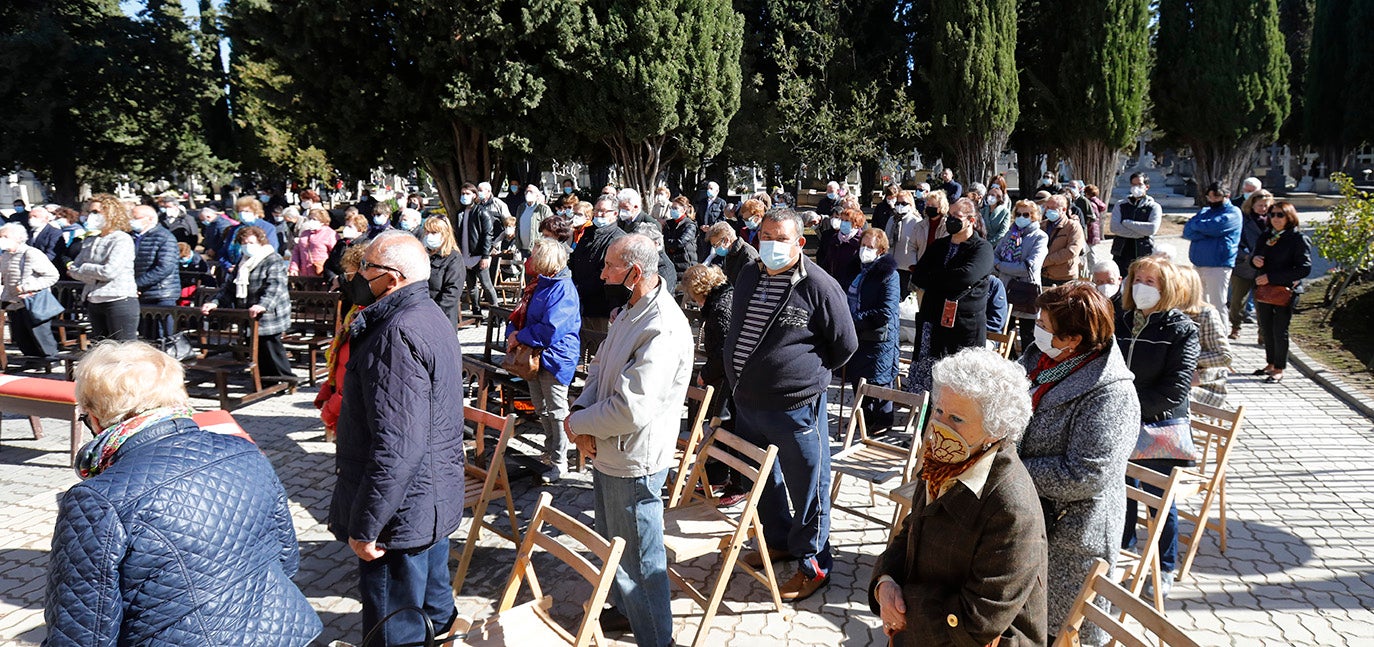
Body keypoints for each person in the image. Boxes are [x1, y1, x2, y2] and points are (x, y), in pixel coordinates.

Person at [44, 341, 322, 646]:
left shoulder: (96, 501)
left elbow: (81, 634)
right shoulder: (243, 451)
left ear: (96, 417)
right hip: (284, 632)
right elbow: (287, 559)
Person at [329, 232, 465, 646]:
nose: (357, 275)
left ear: (392, 278)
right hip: (429, 499)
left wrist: (367, 526)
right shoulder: (427, 313)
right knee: (434, 609)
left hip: (401, 512)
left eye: (366, 268)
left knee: (394, 627)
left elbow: (396, 446)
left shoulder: (395, 332)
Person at [564, 234, 692, 646]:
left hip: (633, 457)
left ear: (634, 273)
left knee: (639, 559)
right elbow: (601, 368)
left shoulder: (662, 326)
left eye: (609, 267)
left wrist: (578, 426)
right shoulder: (630, 311)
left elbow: (631, 408)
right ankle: (624, 610)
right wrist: (579, 417)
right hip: (607, 449)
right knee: (612, 543)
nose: (601, 273)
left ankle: (657, 638)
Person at [871, 348, 1047, 646]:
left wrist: (903, 610)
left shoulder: (1010, 507)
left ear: (995, 430)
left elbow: (979, 618)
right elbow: (912, 529)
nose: (941, 426)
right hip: (923, 630)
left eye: (956, 418)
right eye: (939, 411)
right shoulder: (943, 462)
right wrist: (885, 583)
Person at [726, 209, 858, 602]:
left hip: (796, 406)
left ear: (799, 242)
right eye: (764, 235)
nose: (770, 244)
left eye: (779, 238)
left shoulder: (820, 285)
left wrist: (802, 376)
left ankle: (813, 564)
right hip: (747, 403)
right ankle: (780, 539)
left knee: (808, 485)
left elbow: (845, 346)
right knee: (761, 477)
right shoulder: (749, 272)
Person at [1018, 282, 1139, 646]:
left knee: (1057, 631)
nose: (1036, 327)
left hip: (1071, 532)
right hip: (1030, 514)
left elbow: (1086, 475)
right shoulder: (1039, 361)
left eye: (1044, 323)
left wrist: (1010, 469)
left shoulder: (1111, 392)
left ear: (1072, 339)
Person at [1116, 256, 1200, 600]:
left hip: (1157, 428)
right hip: (1118, 421)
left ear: (1166, 288)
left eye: (1151, 282)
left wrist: (1127, 405)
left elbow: (1174, 390)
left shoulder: (1181, 329)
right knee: (1121, 493)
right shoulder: (1118, 317)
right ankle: (1123, 552)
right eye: (1138, 279)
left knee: (1158, 500)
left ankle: (1164, 566)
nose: (1142, 287)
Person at [506, 239, 581, 483]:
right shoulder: (539, 284)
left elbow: (551, 329)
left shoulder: (563, 288)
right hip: (533, 356)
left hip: (554, 357)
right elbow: (521, 315)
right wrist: (513, 333)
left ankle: (560, 461)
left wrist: (520, 337)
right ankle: (549, 451)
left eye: (536, 257)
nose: (531, 261)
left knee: (557, 410)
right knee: (541, 407)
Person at [202, 226, 295, 382]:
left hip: (269, 312)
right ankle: (263, 378)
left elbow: (276, 286)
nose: (247, 246)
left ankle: (285, 378)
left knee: (271, 347)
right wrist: (214, 302)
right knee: (256, 348)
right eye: (244, 242)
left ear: (260, 241)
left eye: (251, 242)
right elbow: (229, 288)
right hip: (248, 312)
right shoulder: (243, 261)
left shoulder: (273, 259)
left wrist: (263, 305)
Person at [914, 198, 995, 361]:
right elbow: (918, 275)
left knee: (958, 378)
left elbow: (966, 277)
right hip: (932, 320)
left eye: (956, 216)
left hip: (963, 326)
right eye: (949, 215)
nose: (950, 220)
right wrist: (947, 279)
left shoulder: (982, 249)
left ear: (971, 220)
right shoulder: (938, 245)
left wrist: (935, 278)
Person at [1249, 201, 1312, 383]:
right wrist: (1255, 260)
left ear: (1289, 217)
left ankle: (1279, 368)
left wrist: (1272, 277)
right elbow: (1255, 256)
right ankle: (1270, 363)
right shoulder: (1267, 235)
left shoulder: (1298, 238)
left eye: (1280, 215)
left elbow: (1304, 269)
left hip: (1285, 291)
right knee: (1266, 328)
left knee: (1279, 330)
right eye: (1272, 214)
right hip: (1264, 289)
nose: (1275, 219)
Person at [846, 228, 900, 431]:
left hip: (879, 338)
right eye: (863, 246)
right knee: (858, 379)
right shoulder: (855, 269)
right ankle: (863, 419)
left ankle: (881, 422)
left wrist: (856, 320)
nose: (865, 250)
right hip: (856, 334)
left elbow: (886, 311)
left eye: (870, 247)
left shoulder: (889, 274)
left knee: (878, 381)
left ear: (881, 250)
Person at [68, 194, 139, 341]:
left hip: (118, 299)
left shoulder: (121, 239)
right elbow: (73, 269)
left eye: (96, 212)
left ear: (110, 213)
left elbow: (109, 272)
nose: (90, 216)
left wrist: (85, 268)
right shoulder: (90, 240)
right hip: (93, 299)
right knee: (101, 349)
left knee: (123, 348)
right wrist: (88, 272)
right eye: (89, 212)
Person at [315, 245, 368, 439]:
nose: (348, 283)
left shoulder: (365, 316)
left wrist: (331, 408)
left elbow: (349, 374)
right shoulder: (356, 311)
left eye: (351, 278)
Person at [1182, 181, 1243, 322]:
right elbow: (1188, 231)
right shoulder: (1204, 211)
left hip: (1219, 264)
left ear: (1226, 196)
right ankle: (1201, 331)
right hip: (1198, 263)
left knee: (1218, 302)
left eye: (1216, 197)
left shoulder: (1234, 213)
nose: (1213, 200)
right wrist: (1204, 230)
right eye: (1210, 197)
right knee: (1198, 302)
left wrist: (1199, 228)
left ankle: (1221, 334)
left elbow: (1216, 227)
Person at [0, 223, 60, 359]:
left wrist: (27, 286)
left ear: (17, 237)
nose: (1, 239)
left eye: (5, 236)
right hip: (12, 302)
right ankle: (32, 360)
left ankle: (50, 360)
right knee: (21, 335)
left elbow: (52, 275)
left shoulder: (31, 253)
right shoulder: (6, 256)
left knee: (40, 335)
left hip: (33, 301)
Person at [1177, 265, 1233, 407]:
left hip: (1205, 379)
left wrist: (1183, 359)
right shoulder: (1162, 311)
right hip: (1172, 376)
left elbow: (1224, 357)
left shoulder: (1205, 314)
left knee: (1171, 397)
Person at [682, 263, 732, 421]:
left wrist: (705, 373)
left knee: (719, 417)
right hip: (725, 371)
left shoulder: (719, 309)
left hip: (725, 375)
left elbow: (724, 349)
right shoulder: (726, 297)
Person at [569, 195, 626, 332]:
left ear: (615, 213)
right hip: (581, 302)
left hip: (602, 306)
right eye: (597, 210)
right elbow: (576, 260)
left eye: (604, 211)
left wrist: (582, 288)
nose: (599, 214)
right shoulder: (588, 233)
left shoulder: (618, 239)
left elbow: (609, 273)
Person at [128, 205, 180, 340]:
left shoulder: (165, 237)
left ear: (150, 219)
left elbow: (165, 267)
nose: (131, 221)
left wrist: (137, 284)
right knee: (147, 335)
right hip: (140, 293)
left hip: (161, 293)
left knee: (165, 335)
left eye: (135, 218)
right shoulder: (131, 237)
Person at [1229, 190, 1271, 339]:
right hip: (1244, 265)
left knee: (1263, 301)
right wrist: (1248, 255)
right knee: (1238, 300)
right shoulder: (1242, 219)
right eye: (1260, 205)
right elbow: (1235, 242)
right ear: (1252, 204)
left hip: (1266, 267)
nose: (1263, 209)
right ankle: (1235, 327)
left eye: (1266, 205)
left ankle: (1263, 333)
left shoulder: (1273, 220)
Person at [456, 182, 499, 319]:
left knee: (487, 285)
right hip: (465, 256)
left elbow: (488, 235)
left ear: (474, 195)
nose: (464, 196)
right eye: (463, 194)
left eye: (467, 194)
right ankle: (476, 312)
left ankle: (496, 314)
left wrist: (485, 256)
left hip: (479, 256)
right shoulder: (461, 213)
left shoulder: (482, 212)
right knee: (471, 287)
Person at [1110, 172, 1162, 278]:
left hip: (1143, 251)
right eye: (1133, 185)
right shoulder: (1121, 204)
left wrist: (1127, 223)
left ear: (1146, 187)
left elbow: (1151, 229)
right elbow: (1114, 227)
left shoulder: (1154, 207)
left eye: (1139, 184)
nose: (1136, 188)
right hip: (1121, 251)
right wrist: (1140, 232)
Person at [1040, 193, 1086, 287]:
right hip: (1043, 275)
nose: (1048, 210)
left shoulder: (1073, 227)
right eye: (1047, 207)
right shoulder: (1042, 225)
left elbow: (1071, 251)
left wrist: (1045, 261)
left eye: (1053, 208)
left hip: (1064, 277)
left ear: (1064, 210)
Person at [817, 206, 866, 290]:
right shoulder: (834, 239)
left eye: (847, 221)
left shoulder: (862, 242)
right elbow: (827, 261)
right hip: (833, 285)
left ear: (856, 224)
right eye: (842, 220)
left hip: (852, 287)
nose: (843, 223)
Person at [885, 189, 920, 300]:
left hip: (907, 267)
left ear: (910, 204)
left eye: (904, 203)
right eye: (898, 203)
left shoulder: (916, 221)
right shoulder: (891, 220)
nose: (900, 206)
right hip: (891, 265)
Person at [705, 220, 759, 285]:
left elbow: (749, 284)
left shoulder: (748, 254)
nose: (715, 248)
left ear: (726, 240)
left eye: (715, 245)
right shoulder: (729, 253)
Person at [289, 208, 338, 277]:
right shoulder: (304, 233)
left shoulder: (330, 234)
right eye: (310, 219)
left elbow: (336, 254)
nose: (311, 221)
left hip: (322, 273)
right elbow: (296, 252)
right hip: (304, 273)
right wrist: (294, 268)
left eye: (314, 219)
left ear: (322, 221)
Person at [662, 196, 697, 275]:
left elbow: (680, 243)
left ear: (684, 209)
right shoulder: (669, 224)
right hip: (672, 263)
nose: (672, 210)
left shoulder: (690, 225)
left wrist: (668, 243)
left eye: (675, 208)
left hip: (686, 264)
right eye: (672, 208)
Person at [695, 181, 728, 261]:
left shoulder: (721, 203)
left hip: (715, 234)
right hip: (703, 234)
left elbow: (723, 218)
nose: (708, 190)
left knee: (714, 256)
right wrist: (701, 226)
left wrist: (711, 227)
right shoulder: (702, 202)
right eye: (708, 188)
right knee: (703, 255)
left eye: (711, 188)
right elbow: (698, 216)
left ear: (717, 191)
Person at [514, 184, 552, 253]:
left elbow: (550, 228)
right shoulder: (521, 208)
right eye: (526, 192)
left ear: (537, 195)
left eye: (531, 192)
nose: (528, 194)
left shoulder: (543, 209)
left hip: (537, 249)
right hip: (522, 248)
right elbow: (517, 226)